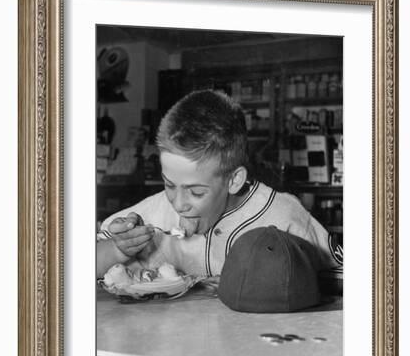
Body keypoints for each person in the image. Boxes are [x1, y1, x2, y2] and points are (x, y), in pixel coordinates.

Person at [97, 90, 342, 278]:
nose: (179, 204)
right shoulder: (154, 214)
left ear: (234, 180)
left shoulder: (284, 216)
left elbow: (344, 282)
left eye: (195, 191)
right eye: (169, 184)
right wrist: (118, 250)